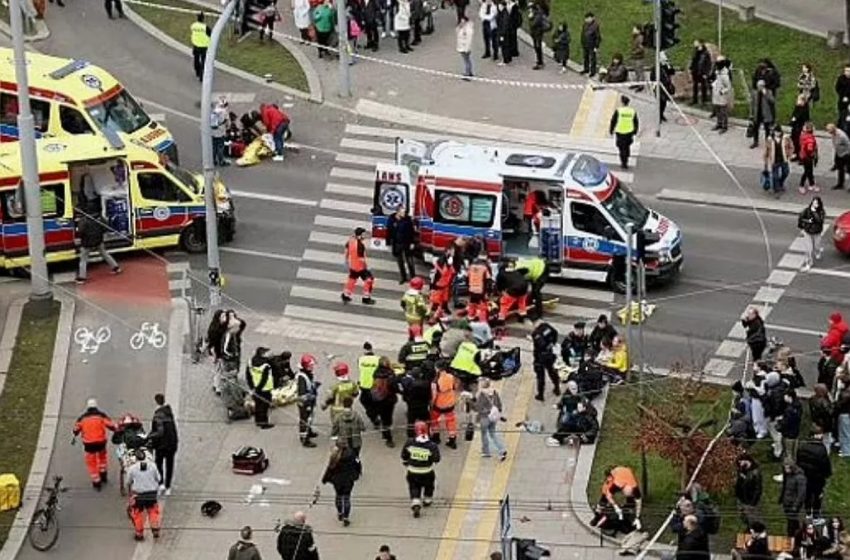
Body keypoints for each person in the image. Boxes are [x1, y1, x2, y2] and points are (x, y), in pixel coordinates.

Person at [73, 399, 116, 490]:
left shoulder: (82, 418)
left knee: (91, 462)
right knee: (102, 458)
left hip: (89, 444)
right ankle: (103, 474)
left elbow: (76, 429)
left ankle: (96, 481)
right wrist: (116, 430)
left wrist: (76, 433)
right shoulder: (101, 415)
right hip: (101, 442)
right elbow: (111, 425)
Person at [401, 420, 441, 517]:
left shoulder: (410, 443)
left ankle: (416, 502)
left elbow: (404, 455)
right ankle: (427, 500)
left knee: (414, 487)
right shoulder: (432, 446)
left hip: (412, 471)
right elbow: (437, 459)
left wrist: (407, 461)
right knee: (429, 486)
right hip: (427, 471)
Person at [75, 207, 121, 284]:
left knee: (83, 259)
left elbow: (80, 231)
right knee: (104, 253)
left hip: (87, 242)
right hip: (98, 240)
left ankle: (82, 277)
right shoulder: (100, 218)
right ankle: (115, 267)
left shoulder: (83, 220)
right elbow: (105, 228)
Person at [126, 449, 162, 541]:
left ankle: (139, 534)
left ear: (136, 458)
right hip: (151, 494)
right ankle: (155, 530)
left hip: (138, 496)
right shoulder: (153, 466)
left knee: (137, 514)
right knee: (153, 511)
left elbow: (128, 482)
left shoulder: (132, 468)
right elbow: (158, 478)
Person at [321, 443, 361, 526]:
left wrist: (324, 479)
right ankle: (346, 517)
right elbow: (358, 463)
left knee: (338, 496)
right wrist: (358, 473)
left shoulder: (334, 456)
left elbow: (330, 468)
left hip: (337, 481)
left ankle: (340, 513)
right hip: (348, 480)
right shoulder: (352, 454)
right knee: (347, 498)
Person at [796, 427, 832, 518]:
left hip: (805, 475)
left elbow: (798, 461)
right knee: (817, 495)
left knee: (807, 494)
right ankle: (816, 513)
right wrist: (827, 474)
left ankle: (808, 512)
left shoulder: (803, 446)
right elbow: (825, 464)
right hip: (817, 477)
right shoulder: (821, 449)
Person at [148, 393, 178, 495]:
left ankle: (161, 484)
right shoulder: (169, 413)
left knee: (159, 463)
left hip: (161, 444)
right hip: (172, 443)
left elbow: (159, 432)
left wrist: (149, 436)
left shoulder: (158, 415)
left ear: (156, 401)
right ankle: (168, 486)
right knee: (170, 465)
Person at [597, 465, 642, 530]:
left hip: (625, 473)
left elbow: (639, 501)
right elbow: (608, 495)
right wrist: (616, 507)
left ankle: (628, 510)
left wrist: (637, 517)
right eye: (629, 494)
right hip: (617, 474)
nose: (631, 494)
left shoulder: (634, 487)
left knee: (631, 501)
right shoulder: (617, 484)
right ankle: (598, 511)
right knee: (605, 492)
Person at [342, 227, 376, 305]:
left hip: (352, 266)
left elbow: (346, 250)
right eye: (363, 235)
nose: (365, 236)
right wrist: (366, 266)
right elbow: (361, 259)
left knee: (352, 280)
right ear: (359, 235)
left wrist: (346, 260)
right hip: (360, 267)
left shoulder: (350, 241)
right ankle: (366, 298)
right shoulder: (360, 245)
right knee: (369, 280)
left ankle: (345, 295)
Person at [475, 378, 507, 460]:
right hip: (493, 417)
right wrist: (498, 413)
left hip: (485, 417)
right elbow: (499, 405)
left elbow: (478, 408)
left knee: (484, 435)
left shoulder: (482, 395)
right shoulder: (494, 392)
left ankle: (486, 452)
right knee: (493, 434)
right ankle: (501, 449)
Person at [371, 357, 399, 447]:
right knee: (388, 418)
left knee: (383, 417)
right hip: (389, 400)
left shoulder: (376, 373)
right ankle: (388, 437)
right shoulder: (391, 374)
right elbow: (395, 388)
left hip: (379, 398)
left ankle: (385, 432)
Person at [431, 366, 460, 447]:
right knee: (451, 421)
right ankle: (452, 439)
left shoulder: (435, 381)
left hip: (439, 404)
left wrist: (432, 404)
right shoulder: (451, 377)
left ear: (437, 369)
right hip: (450, 403)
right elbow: (455, 387)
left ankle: (436, 437)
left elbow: (434, 395)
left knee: (434, 420)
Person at [247, 347, 275, 430]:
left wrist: (252, 387)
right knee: (264, 406)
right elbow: (264, 378)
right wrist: (259, 388)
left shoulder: (250, 362)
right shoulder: (266, 365)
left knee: (258, 404)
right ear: (262, 354)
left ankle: (258, 421)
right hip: (265, 388)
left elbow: (248, 375)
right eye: (266, 353)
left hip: (255, 386)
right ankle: (264, 423)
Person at [531, 319, 559, 401]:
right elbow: (555, 332)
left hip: (540, 357)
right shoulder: (547, 326)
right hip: (549, 354)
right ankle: (557, 388)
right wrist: (552, 343)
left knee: (540, 376)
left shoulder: (536, 333)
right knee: (552, 371)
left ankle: (540, 395)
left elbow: (541, 344)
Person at [400, 365, 432, 438]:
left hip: (412, 407)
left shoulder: (409, 385)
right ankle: (426, 434)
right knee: (426, 421)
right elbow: (429, 395)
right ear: (421, 375)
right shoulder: (426, 384)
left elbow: (405, 396)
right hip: (423, 406)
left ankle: (411, 436)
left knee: (411, 422)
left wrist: (408, 401)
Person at [387, 207, 416, 283]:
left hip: (406, 243)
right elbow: (389, 231)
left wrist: (412, 242)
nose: (404, 214)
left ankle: (413, 277)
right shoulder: (392, 219)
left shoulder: (407, 220)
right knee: (400, 261)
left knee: (409, 261)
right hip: (397, 243)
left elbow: (411, 232)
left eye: (405, 212)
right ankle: (403, 277)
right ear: (398, 212)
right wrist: (388, 243)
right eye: (403, 212)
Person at [296, 354, 320, 447]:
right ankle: (304, 439)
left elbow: (308, 385)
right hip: (305, 403)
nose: (312, 367)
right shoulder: (302, 377)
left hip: (309, 401)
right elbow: (302, 394)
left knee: (309, 418)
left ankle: (309, 432)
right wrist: (310, 399)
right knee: (304, 420)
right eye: (311, 365)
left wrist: (314, 386)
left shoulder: (307, 374)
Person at [609, 96, 638, 170]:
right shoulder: (632, 111)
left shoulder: (619, 111)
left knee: (621, 148)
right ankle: (626, 156)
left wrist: (611, 130)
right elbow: (636, 122)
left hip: (620, 132)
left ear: (622, 102)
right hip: (629, 132)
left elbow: (613, 121)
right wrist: (635, 131)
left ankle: (624, 163)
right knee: (627, 146)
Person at [779, 461, 807, 536]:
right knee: (791, 520)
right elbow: (785, 487)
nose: (786, 470)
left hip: (793, 504)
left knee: (791, 522)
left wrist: (795, 505)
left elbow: (801, 493)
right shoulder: (787, 475)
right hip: (787, 502)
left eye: (787, 468)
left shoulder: (800, 478)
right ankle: (796, 533)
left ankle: (792, 535)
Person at [763, 125, 793, 195]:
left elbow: (791, 146)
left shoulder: (786, 138)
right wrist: (766, 162)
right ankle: (776, 190)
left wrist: (789, 154)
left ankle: (780, 183)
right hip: (775, 160)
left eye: (778, 132)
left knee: (786, 172)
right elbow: (766, 151)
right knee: (775, 176)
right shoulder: (770, 139)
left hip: (784, 159)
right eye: (776, 132)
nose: (777, 133)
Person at [357, 342, 381, 427]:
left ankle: (373, 417)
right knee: (376, 402)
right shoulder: (378, 359)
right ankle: (376, 413)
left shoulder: (360, 359)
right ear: (371, 349)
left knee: (364, 401)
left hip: (364, 385)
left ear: (364, 350)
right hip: (375, 385)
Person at [735, 454, 762, 527]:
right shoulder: (741, 470)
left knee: (753, 518)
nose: (739, 464)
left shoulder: (755, 473)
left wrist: (753, 502)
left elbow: (758, 489)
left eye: (741, 462)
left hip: (750, 499)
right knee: (743, 516)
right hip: (741, 498)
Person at [798, 197, 825, 270]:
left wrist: (814, 213)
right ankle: (809, 263)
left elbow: (820, 221)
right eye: (813, 203)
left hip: (817, 233)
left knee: (816, 246)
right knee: (808, 249)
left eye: (816, 203)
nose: (814, 205)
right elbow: (801, 218)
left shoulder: (821, 211)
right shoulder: (807, 210)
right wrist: (804, 225)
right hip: (808, 232)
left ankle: (817, 251)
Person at [750, 80, 775, 149]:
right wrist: (751, 114)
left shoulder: (768, 92)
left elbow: (772, 101)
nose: (758, 88)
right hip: (757, 113)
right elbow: (752, 104)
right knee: (755, 128)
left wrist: (765, 94)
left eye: (760, 86)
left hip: (765, 114)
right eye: (758, 86)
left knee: (767, 129)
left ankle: (767, 143)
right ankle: (755, 142)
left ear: (763, 86)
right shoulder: (755, 93)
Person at [429, 255, 455, 322]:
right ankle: (432, 317)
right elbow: (433, 278)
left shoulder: (450, 268)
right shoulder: (438, 269)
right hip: (438, 287)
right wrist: (432, 288)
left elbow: (451, 275)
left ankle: (438, 314)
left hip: (445, 287)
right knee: (436, 303)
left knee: (442, 302)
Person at [710, 57, 732, 134]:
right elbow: (717, 81)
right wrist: (713, 84)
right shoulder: (718, 73)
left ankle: (724, 126)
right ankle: (719, 123)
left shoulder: (725, 76)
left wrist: (722, 91)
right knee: (718, 111)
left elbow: (728, 87)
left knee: (723, 112)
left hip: (722, 96)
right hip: (716, 95)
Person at [466, 257, 492, 323]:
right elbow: (488, 280)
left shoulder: (471, 267)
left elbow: (466, 278)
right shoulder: (484, 268)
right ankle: (482, 321)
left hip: (471, 289)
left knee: (472, 304)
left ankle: (470, 318)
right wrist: (488, 292)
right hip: (480, 290)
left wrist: (468, 287)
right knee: (483, 307)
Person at [827, 123, 850, 190]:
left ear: (833, 129)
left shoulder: (842, 136)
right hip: (839, 153)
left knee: (849, 170)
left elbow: (848, 144)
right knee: (840, 169)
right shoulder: (833, 134)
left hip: (846, 154)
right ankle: (840, 184)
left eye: (829, 131)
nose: (828, 132)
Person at [798, 122, 819, 194]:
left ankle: (811, 184)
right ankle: (801, 185)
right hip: (808, 157)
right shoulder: (810, 138)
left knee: (809, 170)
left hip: (803, 155)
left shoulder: (803, 136)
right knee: (807, 171)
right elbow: (810, 149)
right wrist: (813, 155)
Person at [689, 40, 712, 106]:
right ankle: (695, 100)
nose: (694, 44)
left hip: (702, 72)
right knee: (695, 86)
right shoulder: (695, 52)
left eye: (696, 43)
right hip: (695, 71)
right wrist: (691, 68)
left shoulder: (705, 53)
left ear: (700, 44)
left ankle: (704, 100)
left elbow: (708, 64)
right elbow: (693, 60)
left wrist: (706, 73)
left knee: (703, 86)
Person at [190, 13, 211, 80]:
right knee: (203, 61)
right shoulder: (205, 27)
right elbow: (210, 34)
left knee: (196, 59)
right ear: (203, 19)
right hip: (204, 46)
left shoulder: (193, 26)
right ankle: (202, 76)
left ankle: (197, 71)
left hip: (195, 45)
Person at [580, 12, 601, 76]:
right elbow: (583, 34)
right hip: (585, 44)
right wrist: (582, 42)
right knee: (585, 57)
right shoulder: (585, 25)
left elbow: (598, 37)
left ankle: (593, 71)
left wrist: (596, 46)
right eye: (586, 18)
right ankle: (586, 69)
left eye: (588, 18)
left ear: (592, 18)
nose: (586, 20)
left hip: (592, 45)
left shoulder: (595, 26)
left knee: (592, 58)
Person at [211, 97, 230, 167]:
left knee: (214, 147)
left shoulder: (215, 110)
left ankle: (213, 160)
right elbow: (227, 122)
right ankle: (221, 161)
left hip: (213, 132)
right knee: (220, 147)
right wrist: (227, 128)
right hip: (220, 131)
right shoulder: (224, 111)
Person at [529, 3, 548, 70]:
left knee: (538, 47)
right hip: (536, 33)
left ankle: (540, 62)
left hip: (538, 34)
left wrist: (531, 18)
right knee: (537, 48)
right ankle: (539, 61)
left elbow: (533, 24)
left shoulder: (538, 15)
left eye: (530, 9)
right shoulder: (537, 14)